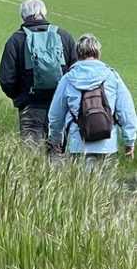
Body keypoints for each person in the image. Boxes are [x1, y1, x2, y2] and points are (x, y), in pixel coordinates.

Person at [48, 34, 136, 170]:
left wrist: (56, 140)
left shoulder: (68, 79)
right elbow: (126, 111)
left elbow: (56, 114)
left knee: (79, 189)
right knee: (104, 188)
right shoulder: (112, 76)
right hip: (107, 144)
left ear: (78, 53)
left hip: (78, 144)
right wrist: (129, 141)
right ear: (98, 52)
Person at [0, 0, 76, 144]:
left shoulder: (16, 39)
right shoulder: (64, 36)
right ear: (44, 13)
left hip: (30, 106)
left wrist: (20, 97)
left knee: (30, 156)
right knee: (57, 152)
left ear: (23, 16)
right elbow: (75, 71)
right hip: (60, 106)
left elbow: (6, 78)